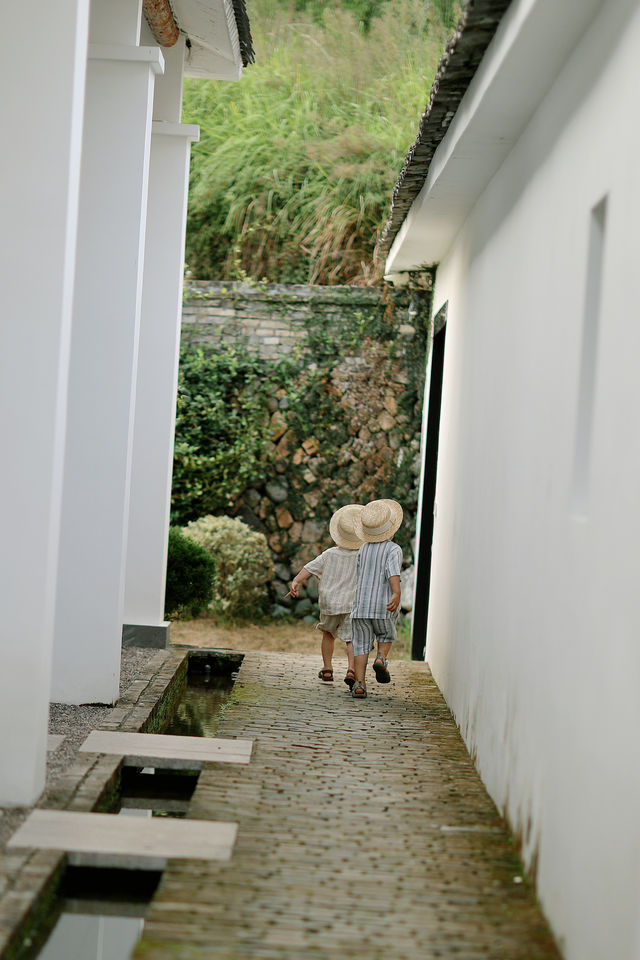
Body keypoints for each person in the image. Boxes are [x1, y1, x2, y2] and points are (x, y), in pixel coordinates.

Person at [289, 504, 364, 688]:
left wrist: (296, 581)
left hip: (330, 603)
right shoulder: (362, 555)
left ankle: (328, 668)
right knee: (350, 638)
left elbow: (309, 567)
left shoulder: (329, 554)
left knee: (328, 634)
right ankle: (351, 669)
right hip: (351, 603)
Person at [349, 499, 403, 699]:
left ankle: (360, 684)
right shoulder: (393, 549)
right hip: (383, 606)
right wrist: (396, 593)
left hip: (361, 607)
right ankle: (381, 658)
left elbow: (360, 574)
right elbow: (393, 573)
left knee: (361, 644)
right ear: (391, 529)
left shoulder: (363, 548)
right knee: (386, 635)